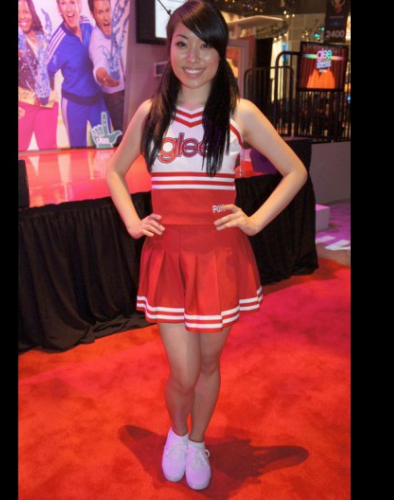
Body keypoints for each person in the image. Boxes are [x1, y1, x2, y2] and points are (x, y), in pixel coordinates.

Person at [105, 0, 307, 491]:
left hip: (220, 258)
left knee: (210, 364)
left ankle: (198, 441)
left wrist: (254, 222)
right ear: (169, 48)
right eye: (182, 44)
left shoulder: (240, 113)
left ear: (221, 52)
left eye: (205, 46)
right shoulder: (152, 114)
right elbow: (114, 170)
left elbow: (295, 170)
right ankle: (177, 433)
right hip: (168, 257)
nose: (192, 57)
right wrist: (132, 221)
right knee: (183, 370)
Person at [47, 0, 109, 148]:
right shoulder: (58, 41)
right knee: (78, 153)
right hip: (74, 105)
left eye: (72, 2)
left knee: (107, 145)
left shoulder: (87, 23)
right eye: (63, 3)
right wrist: (49, 95)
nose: (69, 8)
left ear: (79, 5)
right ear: (59, 8)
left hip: (97, 100)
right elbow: (46, 71)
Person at [18, 0, 58, 151]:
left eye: (25, 12)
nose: (21, 17)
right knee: (20, 152)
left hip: (48, 105)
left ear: (32, 12)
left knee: (49, 154)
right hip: (23, 106)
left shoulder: (44, 37)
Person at [87, 0, 125, 140]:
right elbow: (99, 63)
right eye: (100, 12)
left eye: (107, 10)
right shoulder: (96, 39)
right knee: (125, 136)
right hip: (116, 97)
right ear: (93, 14)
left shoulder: (118, 24)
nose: (106, 17)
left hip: (130, 90)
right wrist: (103, 76)